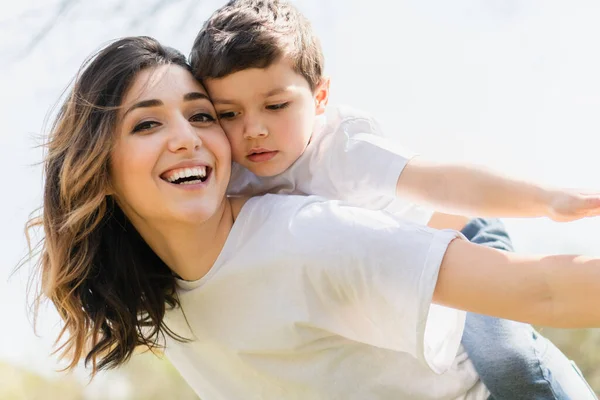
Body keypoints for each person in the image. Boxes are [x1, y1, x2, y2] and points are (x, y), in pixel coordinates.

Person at [27, 36, 600, 400]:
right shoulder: (155, 293)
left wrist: (548, 198)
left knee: (518, 362)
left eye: (201, 117)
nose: (187, 139)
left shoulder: (305, 234)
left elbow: (545, 290)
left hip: (464, 274)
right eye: (147, 124)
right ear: (97, 169)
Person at [190, 1, 600, 398]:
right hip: (401, 277)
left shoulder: (344, 148)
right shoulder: (226, 174)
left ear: (319, 97)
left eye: (276, 105)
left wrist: (546, 199)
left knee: (508, 362)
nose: (253, 129)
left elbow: (443, 182)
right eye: (229, 114)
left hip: (458, 237)